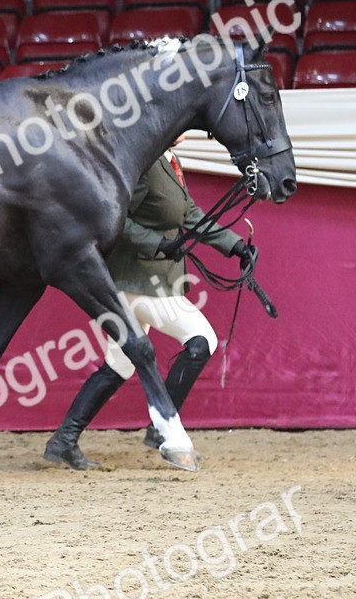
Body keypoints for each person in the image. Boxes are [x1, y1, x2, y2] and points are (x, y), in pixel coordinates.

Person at [43, 137, 256, 469]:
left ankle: (63, 442)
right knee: (201, 339)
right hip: (139, 281)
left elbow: (190, 215)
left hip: (144, 282)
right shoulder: (145, 163)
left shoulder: (167, 160)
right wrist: (156, 242)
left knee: (119, 365)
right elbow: (116, 218)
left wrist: (235, 246)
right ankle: (162, 429)